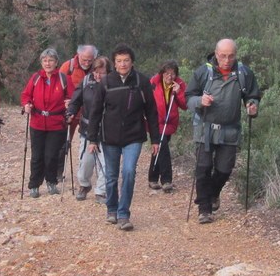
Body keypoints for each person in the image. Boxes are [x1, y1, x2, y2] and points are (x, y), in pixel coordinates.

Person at [85, 44, 161, 231]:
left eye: (126, 60)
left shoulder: (141, 82)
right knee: (111, 176)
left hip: (134, 136)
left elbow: (151, 112)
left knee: (128, 172)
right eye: (119, 61)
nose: (123, 64)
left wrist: (156, 139)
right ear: (114, 63)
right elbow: (95, 112)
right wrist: (92, 139)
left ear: (132, 62)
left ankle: (124, 213)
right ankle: (111, 209)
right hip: (109, 137)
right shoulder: (106, 82)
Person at [185, 38, 260, 224]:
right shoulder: (203, 72)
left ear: (236, 55)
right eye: (223, 56)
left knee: (224, 169)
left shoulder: (244, 73)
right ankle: (204, 209)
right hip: (205, 128)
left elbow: (252, 95)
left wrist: (252, 106)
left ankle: (212, 194)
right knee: (203, 168)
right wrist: (199, 101)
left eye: (231, 56)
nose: (227, 60)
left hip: (230, 129)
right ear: (216, 54)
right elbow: (189, 97)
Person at [21, 48, 73, 198]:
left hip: (56, 124)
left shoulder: (64, 79)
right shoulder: (36, 78)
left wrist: (70, 104)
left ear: (56, 62)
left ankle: (51, 182)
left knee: (51, 155)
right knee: (37, 155)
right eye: (45, 60)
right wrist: (27, 104)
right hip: (37, 122)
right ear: (41, 62)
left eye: (50, 60)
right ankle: (34, 185)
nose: (47, 63)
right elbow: (26, 95)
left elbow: (72, 97)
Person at [66, 55, 111, 201]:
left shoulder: (114, 85)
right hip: (87, 128)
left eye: (102, 72)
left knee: (105, 162)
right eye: (96, 72)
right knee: (86, 161)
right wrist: (71, 112)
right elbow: (76, 100)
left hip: (107, 130)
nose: (98, 75)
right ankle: (84, 184)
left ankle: (101, 191)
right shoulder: (86, 81)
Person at [59, 45, 98, 194]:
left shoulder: (98, 67)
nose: (87, 63)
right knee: (64, 141)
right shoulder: (67, 67)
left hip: (89, 114)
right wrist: (66, 102)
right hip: (72, 111)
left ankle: (85, 178)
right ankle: (59, 171)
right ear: (78, 55)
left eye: (90, 60)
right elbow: (58, 85)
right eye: (84, 59)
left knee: (86, 146)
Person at [147, 60, 187, 192]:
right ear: (162, 73)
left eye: (173, 74)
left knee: (159, 148)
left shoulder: (180, 84)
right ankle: (166, 180)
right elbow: (147, 101)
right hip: (155, 122)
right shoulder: (154, 83)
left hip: (170, 123)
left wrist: (179, 92)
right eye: (167, 74)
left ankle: (152, 178)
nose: (170, 77)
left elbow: (184, 105)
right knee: (162, 147)